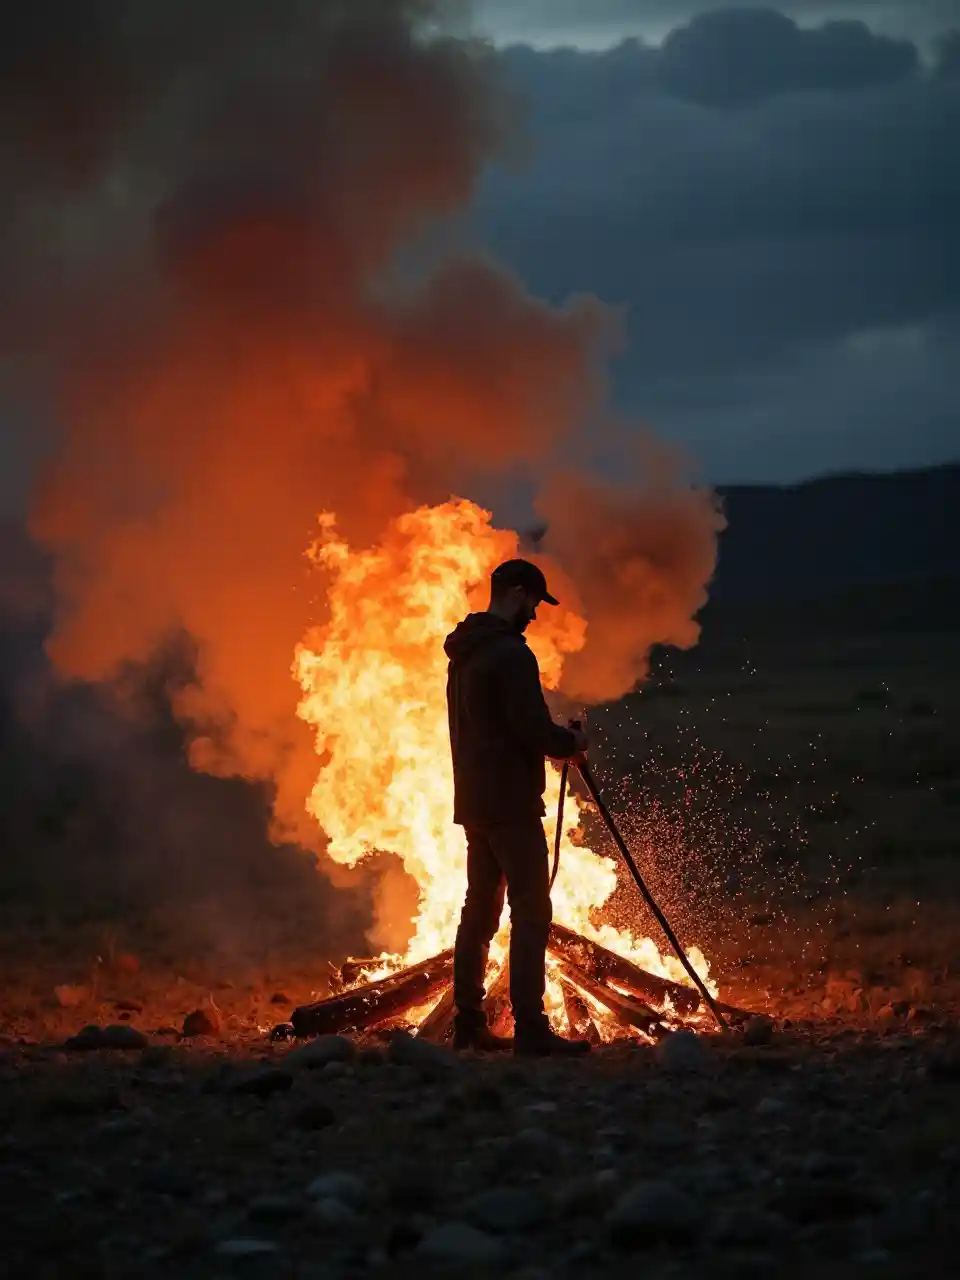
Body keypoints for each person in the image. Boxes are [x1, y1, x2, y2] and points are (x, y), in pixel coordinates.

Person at [444, 558, 592, 1057]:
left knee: (478, 912)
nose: (535, 613)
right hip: (510, 802)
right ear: (517, 593)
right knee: (530, 910)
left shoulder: (464, 653)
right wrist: (570, 741)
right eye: (533, 602)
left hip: (476, 802)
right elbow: (532, 729)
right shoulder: (509, 654)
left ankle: (467, 1023)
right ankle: (531, 1027)